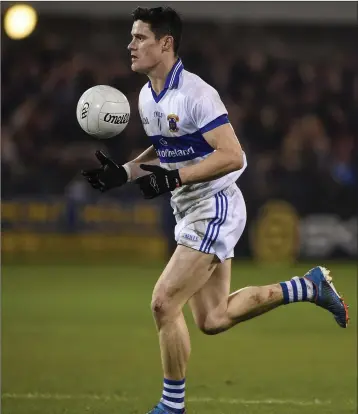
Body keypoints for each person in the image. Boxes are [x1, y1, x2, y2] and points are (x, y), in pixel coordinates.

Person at [81, 7, 349, 414]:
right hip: (190, 208)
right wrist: (126, 172)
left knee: (163, 302)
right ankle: (308, 287)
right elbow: (168, 148)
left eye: (139, 38)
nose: (130, 45)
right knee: (213, 319)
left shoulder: (196, 94)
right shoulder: (146, 96)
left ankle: (172, 407)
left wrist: (174, 179)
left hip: (215, 204)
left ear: (165, 43)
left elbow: (232, 154)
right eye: (131, 37)